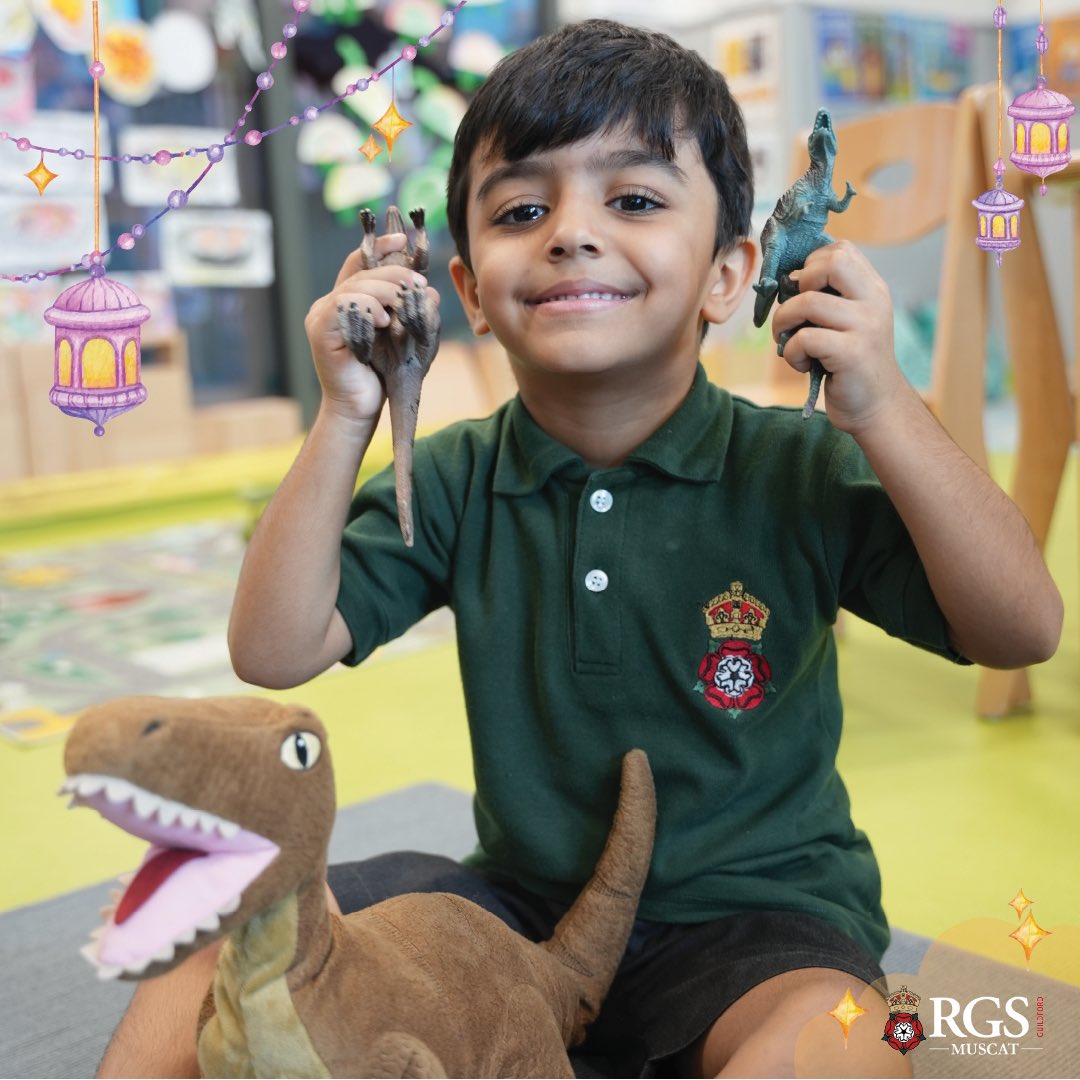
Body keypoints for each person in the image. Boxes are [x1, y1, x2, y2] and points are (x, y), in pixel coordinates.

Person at [97, 18, 1062, 1080]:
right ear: (466, 292)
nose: (570, 232)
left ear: (729, 276)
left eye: (635, 199)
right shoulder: (455, 474)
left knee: (841, 1041)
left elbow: (1020, 629)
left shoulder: (794, 467)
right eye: (521, 209)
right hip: (508, 919)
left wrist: (886, 406)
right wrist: (346, 416)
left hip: (758, 931)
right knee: (223, 914)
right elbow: (275, 650)